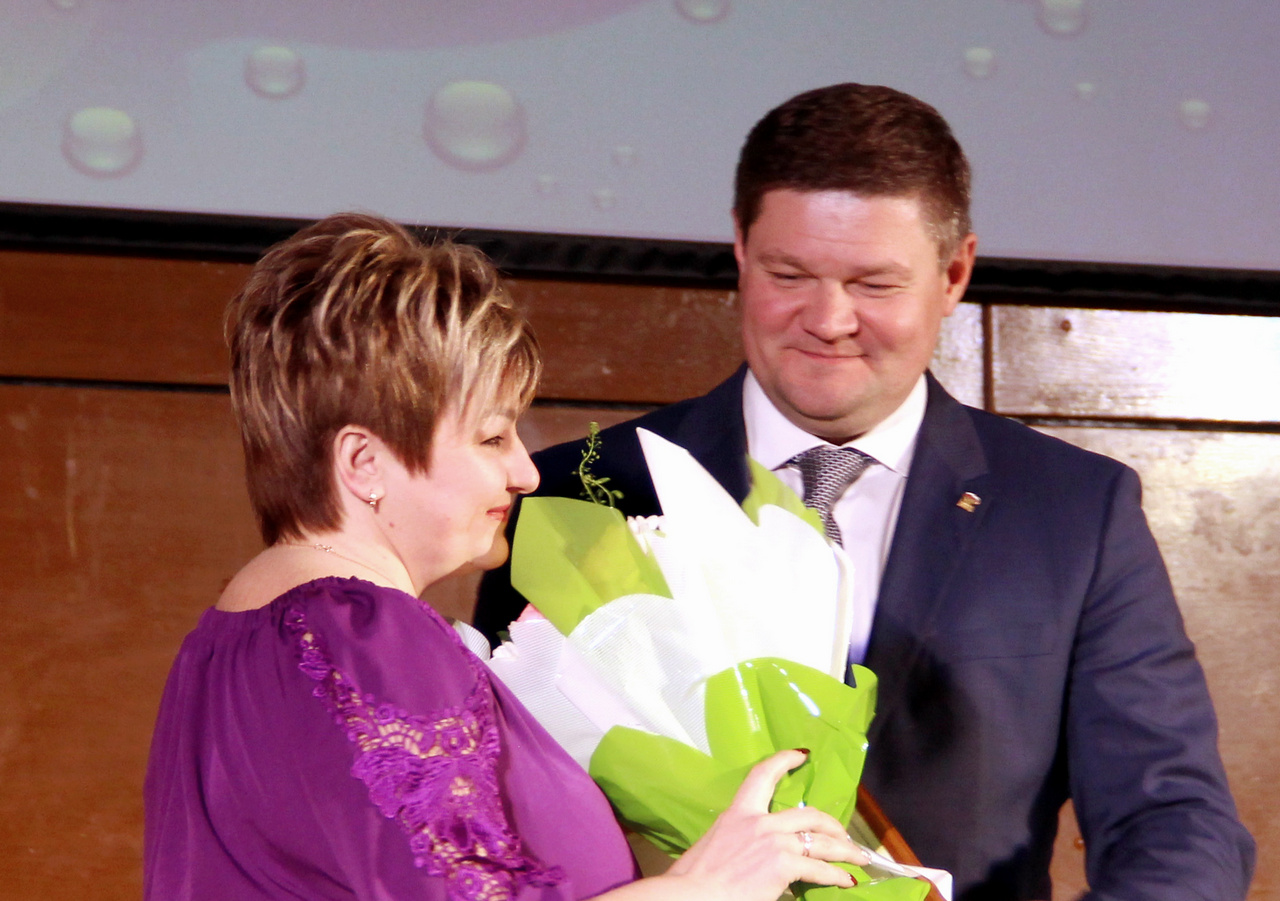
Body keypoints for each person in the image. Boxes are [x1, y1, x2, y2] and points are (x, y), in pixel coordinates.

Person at [475, 85, 1256, 900]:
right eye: (789, 273)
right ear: (740, 247)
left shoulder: (1074, 511)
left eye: (875, 284)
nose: (829, 319)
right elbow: (500, 812)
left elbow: (1174, 817)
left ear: (954, 273)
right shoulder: (575, 492)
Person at [142, 213, 867, 900]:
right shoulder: (366, 634)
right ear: (364, 463)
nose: (524, 472)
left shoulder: (222, 645)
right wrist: (706, 886)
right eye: (492, 438)